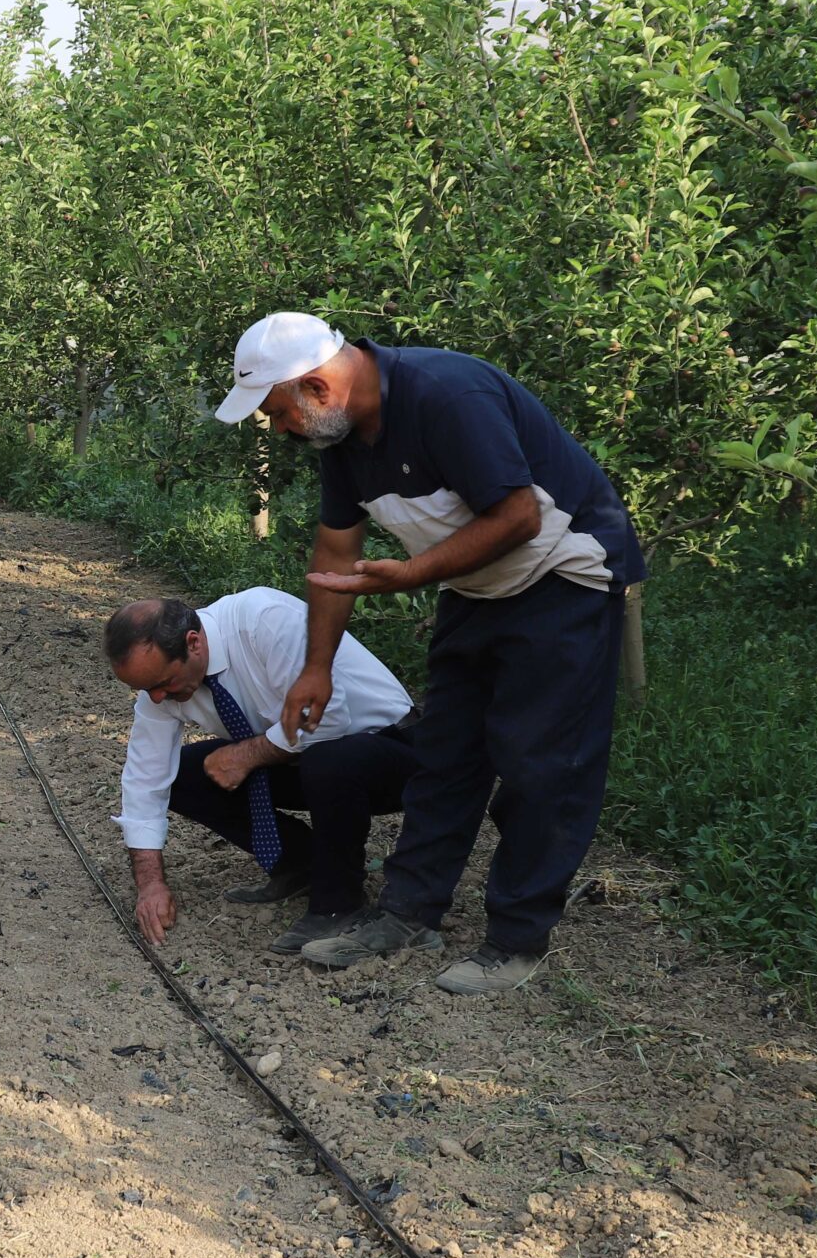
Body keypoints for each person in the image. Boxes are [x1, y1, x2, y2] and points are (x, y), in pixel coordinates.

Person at [216, 312, 646, 993]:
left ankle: (515, 937)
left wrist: (415, 574)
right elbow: (335, 554)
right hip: (480, 585)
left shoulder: (446, 395)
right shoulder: (346, 440)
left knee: (541, 763)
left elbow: (518, 516)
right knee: (443, 752)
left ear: (318, 387)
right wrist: (317, 667)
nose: (280, 429)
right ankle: (408, 911)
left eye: (277, 412)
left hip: (567, 575)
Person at [108, 591, 419, 954]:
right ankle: (302, 865)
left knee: (329, 758)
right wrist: (150, 885)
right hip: (304, 760)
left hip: (393, 750)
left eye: (163, 683)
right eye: (147, 690)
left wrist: (247, 755)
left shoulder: (264, 621)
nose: (157, 698)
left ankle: (339, 902)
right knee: (185, 774)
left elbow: (328, 720)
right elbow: (145, 779)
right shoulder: (161, 690)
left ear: (193, 643)